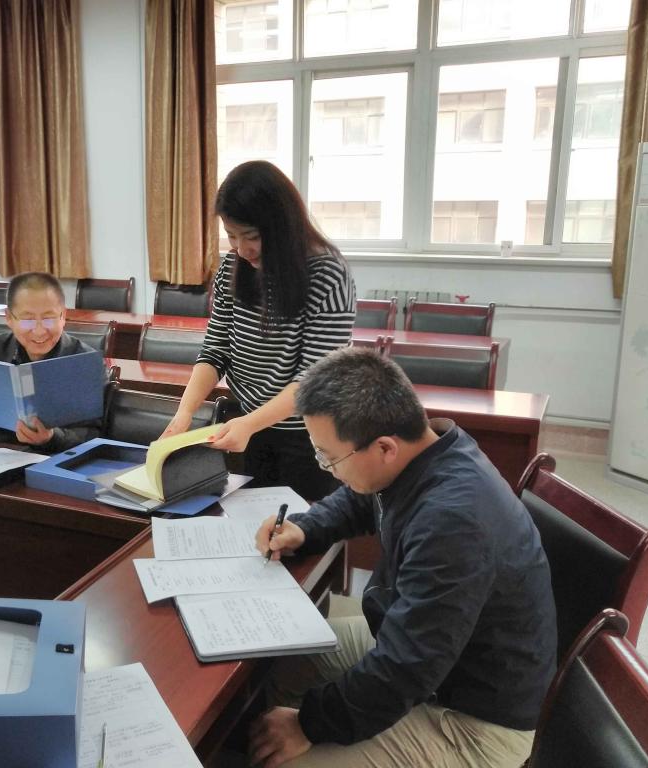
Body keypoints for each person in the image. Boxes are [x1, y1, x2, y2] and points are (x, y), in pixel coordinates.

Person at [247, 347, 556, 768]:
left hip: (473, 721)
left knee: (285, 761)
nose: (327, 469)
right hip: (428, 649)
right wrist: (306, 527)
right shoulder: (425, 453)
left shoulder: (453, 521)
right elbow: (364, 498)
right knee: (286, 661)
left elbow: (406, 669)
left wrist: (309, 726)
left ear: (385, 448)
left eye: (329, 457)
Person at [161, 160, 355, 499]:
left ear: (284, 227)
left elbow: (313, 380)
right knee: (253, 520)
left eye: (252, 236)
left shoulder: (328, 275)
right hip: (251, 424)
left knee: (304, 524)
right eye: (231, 236)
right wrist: (184, 414)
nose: (242, 249)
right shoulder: (232, 269)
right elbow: (215, 350)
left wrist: (250, 424)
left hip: (311, 434)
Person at [0, 271, 101, 452]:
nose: (39, 331)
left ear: (63, 316)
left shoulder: (85, 362)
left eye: (49, 319)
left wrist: (52, 437)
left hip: (56, 461)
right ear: (9, 318)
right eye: (27, 320)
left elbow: (95, 435)